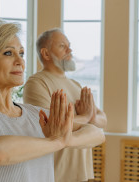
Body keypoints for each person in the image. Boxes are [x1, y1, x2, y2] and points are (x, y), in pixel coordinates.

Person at [0, 19, 105, 182]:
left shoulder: (34, 114)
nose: (20, 61)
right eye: (8, 53)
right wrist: (57, 141)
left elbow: (97, 133)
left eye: (22, 53)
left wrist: (68, 139)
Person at [23, 28, 107, 182]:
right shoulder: (36, 83)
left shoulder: (75, 84)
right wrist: (86, 117)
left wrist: (91, 117)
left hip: (84, 175)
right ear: (46, 53)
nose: (70, 50)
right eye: (62, 46)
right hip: (55, 174)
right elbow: (52, 125)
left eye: (69, 45)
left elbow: (103, 120)